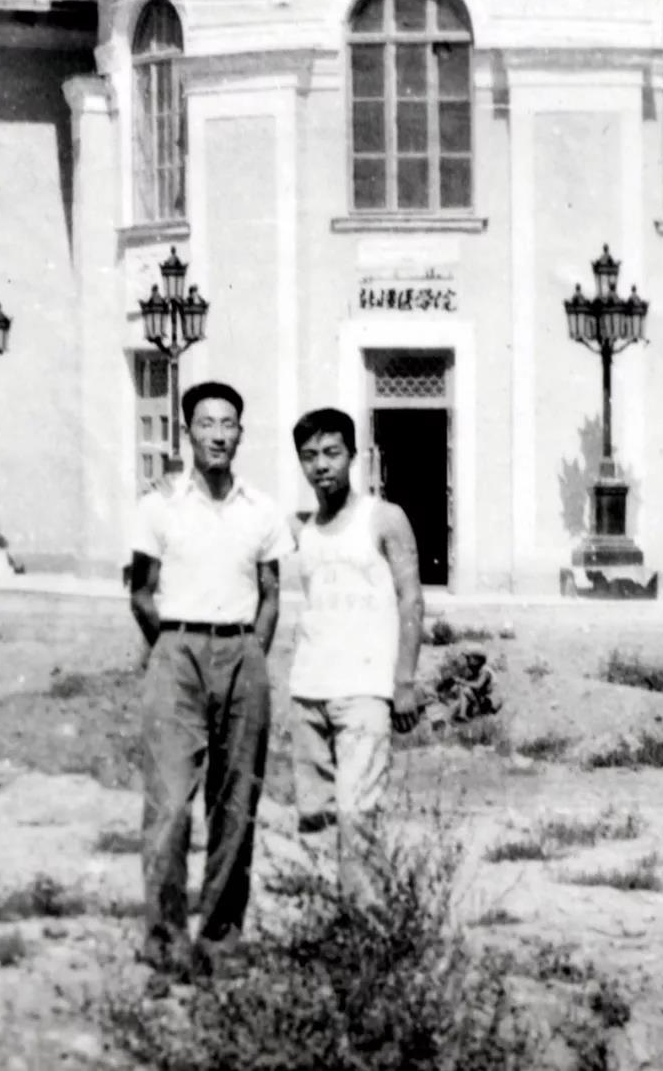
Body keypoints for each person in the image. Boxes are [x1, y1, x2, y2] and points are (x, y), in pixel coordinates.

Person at [128, 380, 295, 978]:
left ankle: (220, 942)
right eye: (206, 424)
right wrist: (174, 647)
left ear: (240, 434)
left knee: (236, 805)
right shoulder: (159, 506)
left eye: (228, 424)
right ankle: (166, 942)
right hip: (177, 652)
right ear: (188, 433)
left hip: (243, 652)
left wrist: (252, 653)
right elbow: (140, 592)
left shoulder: (261, 509)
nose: (218, 435)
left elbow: (272, 594)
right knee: (170, 805)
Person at [288, 406, 425, 903]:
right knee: (317, 819)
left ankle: (369, 926)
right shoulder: (301, 528)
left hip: (364, 691)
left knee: (358, 813)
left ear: (353, 456)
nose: (321, 465)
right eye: (310, 456)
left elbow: (411, 599)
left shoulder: (383, 518)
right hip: (308, 690)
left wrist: (403, 682)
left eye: (332, 453)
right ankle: (329, 919)